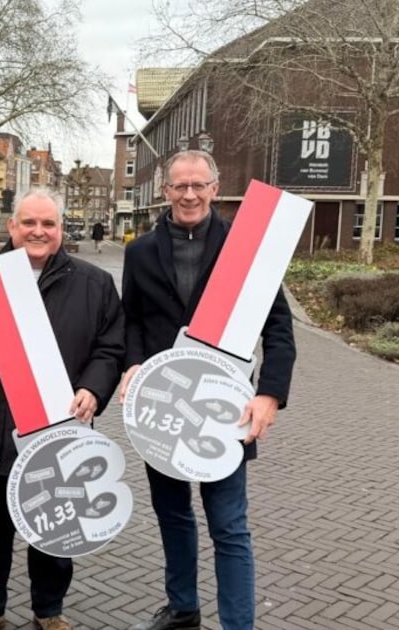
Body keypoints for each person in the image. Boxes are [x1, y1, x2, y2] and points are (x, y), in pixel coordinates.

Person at [120, 151, 296, 630]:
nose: (190, 195)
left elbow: (278, 327)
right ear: (166, 191)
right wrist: (133, 363)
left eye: (199, 185)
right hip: (163, 406)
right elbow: (132, 319)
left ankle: (238, 625)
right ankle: (183, 610)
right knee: (173, 517)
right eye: (180, 186)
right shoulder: (139, 252)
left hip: (226, 411)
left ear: (216, 189)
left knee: (229, 527)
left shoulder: (246, 249)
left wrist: (270, 394)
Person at [0, 188, 125, 630]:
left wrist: (93, 389)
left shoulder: (95, 283)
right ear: (12, 226)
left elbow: (110, 348)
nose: (38, 232)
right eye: (29, 223)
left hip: (59, 432)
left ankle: (50, 611)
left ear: (62, 229)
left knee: (56, 528)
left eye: (48, 224)